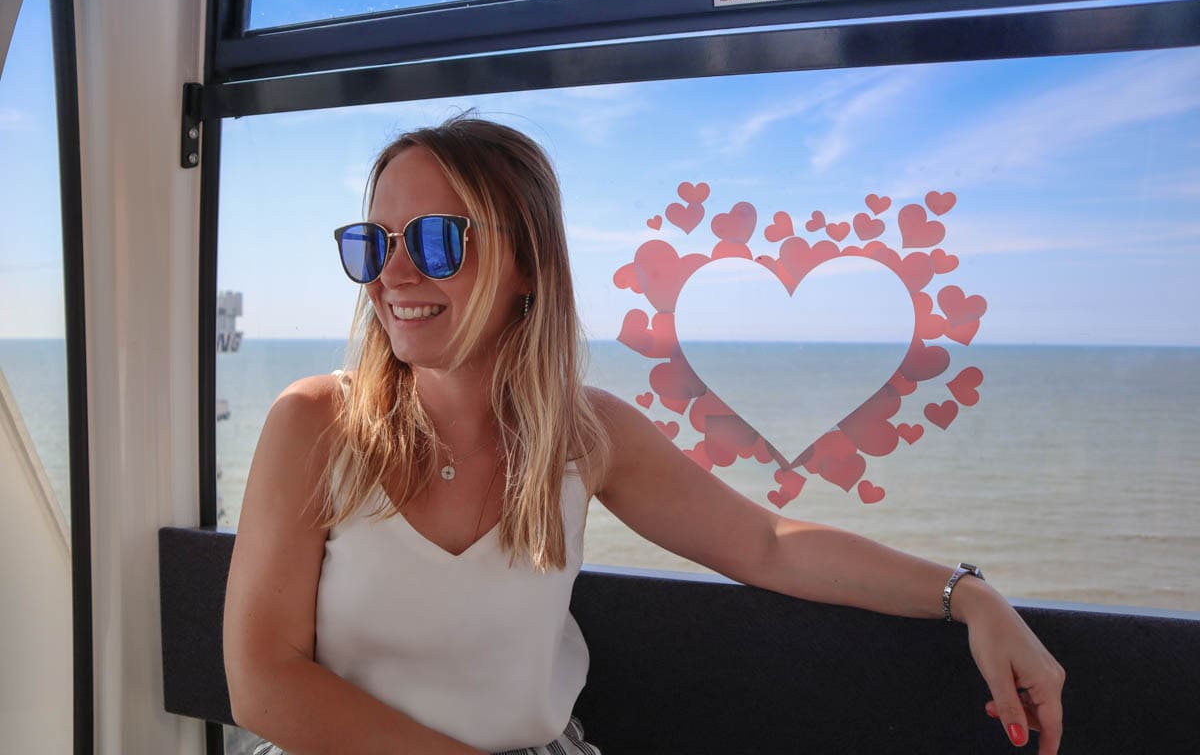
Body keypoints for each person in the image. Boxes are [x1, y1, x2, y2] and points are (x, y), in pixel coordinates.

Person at [223, 115, 1065, 755]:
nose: (394, 275)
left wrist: (969, 597)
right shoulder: (316, 426)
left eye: (439, 241)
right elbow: (262, 682)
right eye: (372, 244)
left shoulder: (586, 438)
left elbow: (767, 543)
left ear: (529, 268)